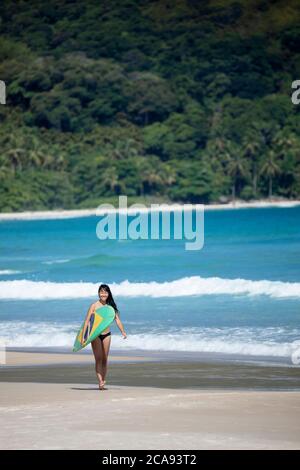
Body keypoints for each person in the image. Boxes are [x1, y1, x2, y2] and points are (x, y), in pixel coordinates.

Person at [81, 284, 127, 390]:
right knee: (98, 359)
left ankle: (103, 381)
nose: (103, 294)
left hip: (107, 334)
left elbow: (117, 320)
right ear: (98, 293)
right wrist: (84, 337)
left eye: (105, 292)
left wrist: (123, 332)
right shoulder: (94, 306)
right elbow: (87, 321)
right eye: (101, 292)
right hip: (95, 335)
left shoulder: (110, 307)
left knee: (105, 359)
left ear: (108, 294)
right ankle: (100, 381)